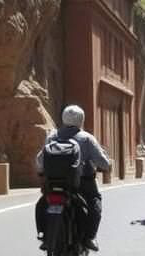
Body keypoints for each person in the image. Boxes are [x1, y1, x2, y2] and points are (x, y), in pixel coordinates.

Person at [35, 105, 111, 252]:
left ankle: (45, 236)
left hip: (52, 183)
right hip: (81, 183)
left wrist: (41, 173)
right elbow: (103, 163)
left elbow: (40, 160)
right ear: (81, 120)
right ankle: (90, 237)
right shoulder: (87, 138)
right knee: (95, 202)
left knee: (42, 204)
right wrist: (107, 165)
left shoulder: (52, 136)